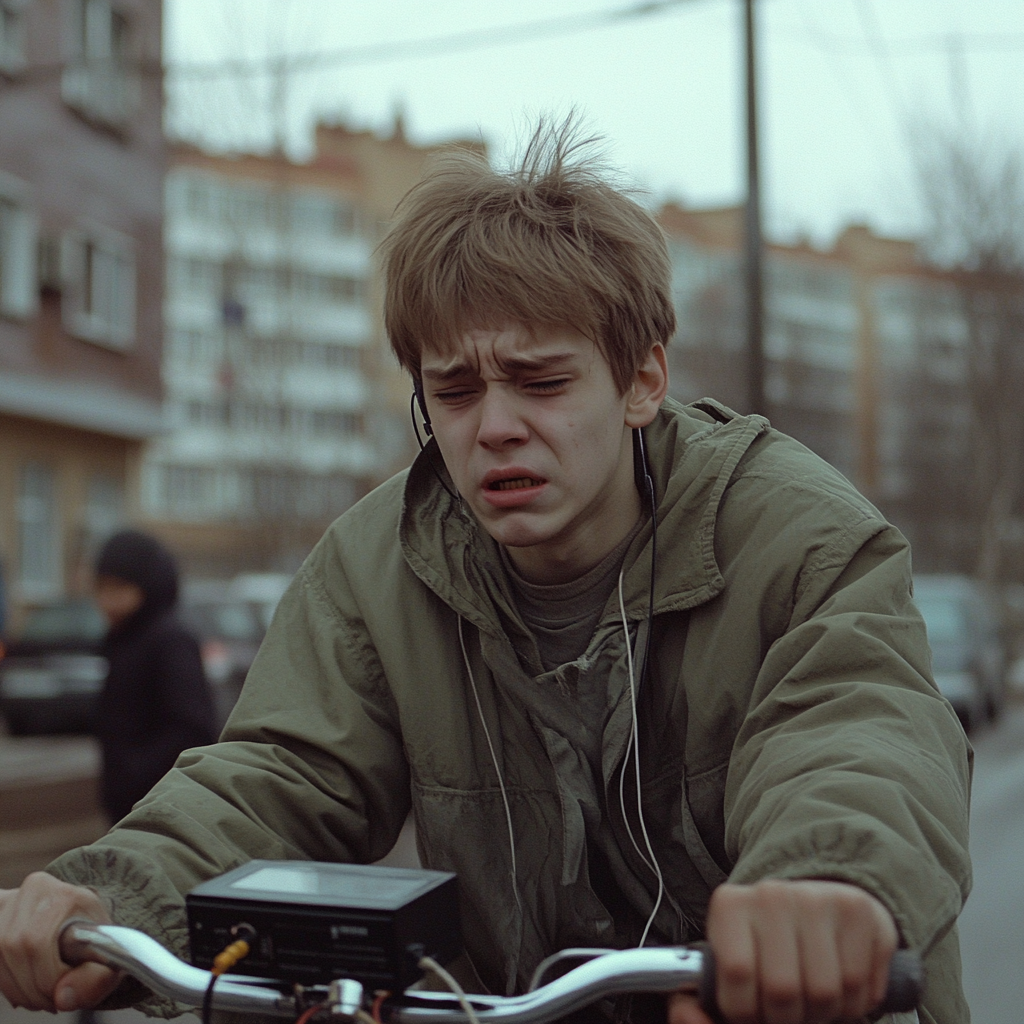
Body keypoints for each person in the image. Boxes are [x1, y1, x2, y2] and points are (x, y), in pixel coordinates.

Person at [0, 121, 970, 1024]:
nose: (494, 425)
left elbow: (854, 723)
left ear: (642, 379)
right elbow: (282, 772)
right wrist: (119, 886)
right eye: (453, 391)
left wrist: (827, 879)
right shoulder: (374, 565)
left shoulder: (792, 531)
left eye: (542, 380)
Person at [91, 529, 219, 823]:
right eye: (101, 588)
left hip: (162, 808)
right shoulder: (122, 640)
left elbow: (193, 729)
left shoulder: (170, 641)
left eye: (119, 588)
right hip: (129, 806)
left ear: (149, 586)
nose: (107, 601)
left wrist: (135, 776)